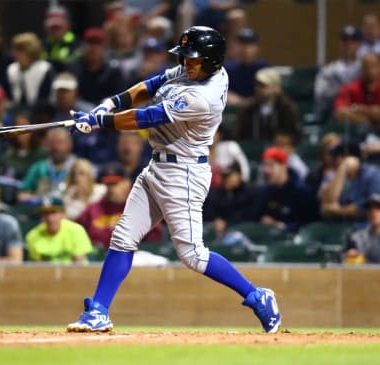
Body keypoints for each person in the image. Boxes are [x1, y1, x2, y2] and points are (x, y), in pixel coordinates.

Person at [66, 26, 281, 333]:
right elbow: (150, 85)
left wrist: (100, 121)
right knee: (123, 238)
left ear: (211, 62)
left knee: (193, 255)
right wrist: (109, 104)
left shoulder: (203, 96)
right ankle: (98, 311)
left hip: (184, 174)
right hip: (158, 166)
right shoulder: (191, 70)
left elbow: (147, 117)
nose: (186, 63)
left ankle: (257, 295)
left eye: (193, 59)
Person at [76, 162, 162, 249]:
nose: (111, 189)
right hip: (98, 258)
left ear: (127, 183)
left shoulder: (140, 207)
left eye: (115, 183)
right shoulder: (93, 209)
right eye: (108, 184)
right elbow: (77, 232)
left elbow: (154, 241)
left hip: (135, 257)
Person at [254, 147, 319, 233]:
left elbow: (311, 223)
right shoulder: (266, 191)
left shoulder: (301, 191)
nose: (266, 171)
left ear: (284, 166)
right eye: (265, 165)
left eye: (271, 165)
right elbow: (257, 217)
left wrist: (283, 226)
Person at [319, 140, 380, 224]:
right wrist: (342, 170)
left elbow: (368, 210)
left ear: (352, 159)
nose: (333, 160)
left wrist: (337, 210)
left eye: (337, 156)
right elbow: (326, 204)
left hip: (366, 228)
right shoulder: (335, 174)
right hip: (340, 226)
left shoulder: (373, 175)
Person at [236, 67, 301, 142]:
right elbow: (240, 136)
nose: (259, 88)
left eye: (263, 85)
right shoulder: (248, 109)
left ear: (276, 87)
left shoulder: (287, 108)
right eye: (257, 84)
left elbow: (292, 135)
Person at [314, 25, 362, 122]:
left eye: (353, 41)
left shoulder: (365, 69)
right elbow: (320, 95)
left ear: (359, 44)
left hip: (361, 115)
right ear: (340, 44)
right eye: (345, 41)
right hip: (334, 116)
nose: (349, 44)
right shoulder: (328, 70)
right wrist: (343, 92)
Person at [68, 27, 128, 105]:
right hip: (79, 113)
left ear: (104, 48)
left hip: (106, 113)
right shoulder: (74, 69)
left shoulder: (113, 71)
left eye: (97, 44)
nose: (93, 48)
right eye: (89, 43)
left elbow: (120, 99)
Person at [26, 196, 93, 263]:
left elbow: (79, 263)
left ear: (63, 214)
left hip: (75, 272)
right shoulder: (33, 235)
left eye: (53, 212)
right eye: (45, 213)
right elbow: (38, 266)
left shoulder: (76, 230)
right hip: (48, 272)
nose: (50, 218)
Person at [18, 128, 76, 203]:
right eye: (52, 143)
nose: (55, 147)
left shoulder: (77, 167)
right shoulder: (38, 168)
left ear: (69, 144)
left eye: (60, 142)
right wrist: (39, 199)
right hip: (41, 210)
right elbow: (22, 194)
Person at [203, 162, 257, 237]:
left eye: (229, 176)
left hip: (244, 233)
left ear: (239, 175)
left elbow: (247, 216)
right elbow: (209, 210)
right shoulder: (219, 193)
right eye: (225, 177)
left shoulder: (249, 193)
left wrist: (227, 224)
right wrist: (215, 221)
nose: (226, 180)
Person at [6, 32, 56, 108]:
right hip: (17, 112)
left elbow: (46, 98)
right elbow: (10, 97)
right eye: (15, 50)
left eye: (20, 51)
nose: (15, 54)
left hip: (41, 112)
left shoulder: (44, 69)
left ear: (31, 52)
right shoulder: (11, 69)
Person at [224, 27, 269, 106]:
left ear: (257, 48)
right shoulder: (226, 68)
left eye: (250, 44)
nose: (245, 48)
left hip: (257, 109)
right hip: (231, 110)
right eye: (241, 44)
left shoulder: (264, 68)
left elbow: (270, 91)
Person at [334, 52, 380, 124]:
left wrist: (361, 109)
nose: (370, 70)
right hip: (355, 132)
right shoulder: (350, 88)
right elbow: (340, 113)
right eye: (366, 66)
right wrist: (367, 121)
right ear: (361, 69)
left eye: (374, 66)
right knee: (331, 135)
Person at [42, 5, 81, 73]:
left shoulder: (76, 44)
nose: (54, 30)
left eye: (58, 27)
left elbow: (72, 65)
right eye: (52, 27)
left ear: (68, 25)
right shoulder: (42, 44)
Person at [343, 193, 380, 264]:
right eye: (370, 209)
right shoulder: (357, 237)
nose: (373, 213)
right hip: (364, 273)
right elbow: (349, 259)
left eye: (378, 209)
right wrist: (351, 255)